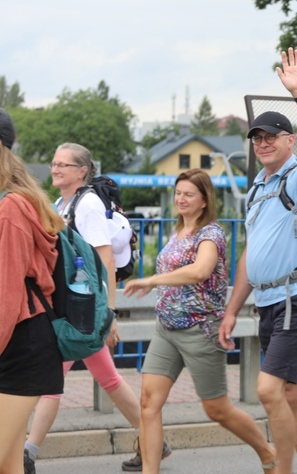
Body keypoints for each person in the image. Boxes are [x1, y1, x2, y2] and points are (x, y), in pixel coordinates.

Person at [218, 47, 297, 474]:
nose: (263, 143)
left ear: (290, 140)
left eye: (271, 136)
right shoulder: (257, 189)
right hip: (268, 302)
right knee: (292, 395)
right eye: (257, 138)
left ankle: (279, 469)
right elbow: (252, 253)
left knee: (268, 391)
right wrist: (231, 311)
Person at [124, 169, 276, 474]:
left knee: (216, 409)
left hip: (199, 331)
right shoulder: (178, 230)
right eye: (178, 193)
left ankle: (268, 452)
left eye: (189, 194)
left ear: (205, 200)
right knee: (148, 404)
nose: (181, 199)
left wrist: (153, 280)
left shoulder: (211, 234)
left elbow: (199, 271)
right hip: (166, 330)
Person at [24, 142, 157, 473]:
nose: (55, 169)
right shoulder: (62, 203)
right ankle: (155, 440)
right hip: (76, 306)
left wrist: (108, 313)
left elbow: (106, 258)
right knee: (109, 378)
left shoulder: (88, 206)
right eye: (54, 163)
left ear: (82, 171)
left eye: (63, 165)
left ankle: (27, 452)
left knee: (53, 377)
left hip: (86, 310)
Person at [0, 108, 65, 474]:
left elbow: (6, 297)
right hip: (21, 341)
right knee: (9, 466)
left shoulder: (11, 208)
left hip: (21, 345)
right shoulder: (18, 200)